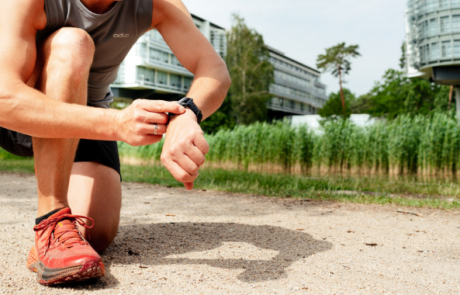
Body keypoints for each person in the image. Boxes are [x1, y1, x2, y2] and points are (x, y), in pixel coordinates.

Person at [0, 0, 231, 285]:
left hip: (87, 116)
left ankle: (53, 231)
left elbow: (214, 70)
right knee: (74, 42)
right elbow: (3, 98)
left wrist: (186, 114)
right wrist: (117, 124)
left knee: (94, 235)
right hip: (21, 108)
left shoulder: (157, 3)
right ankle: (51, 217)